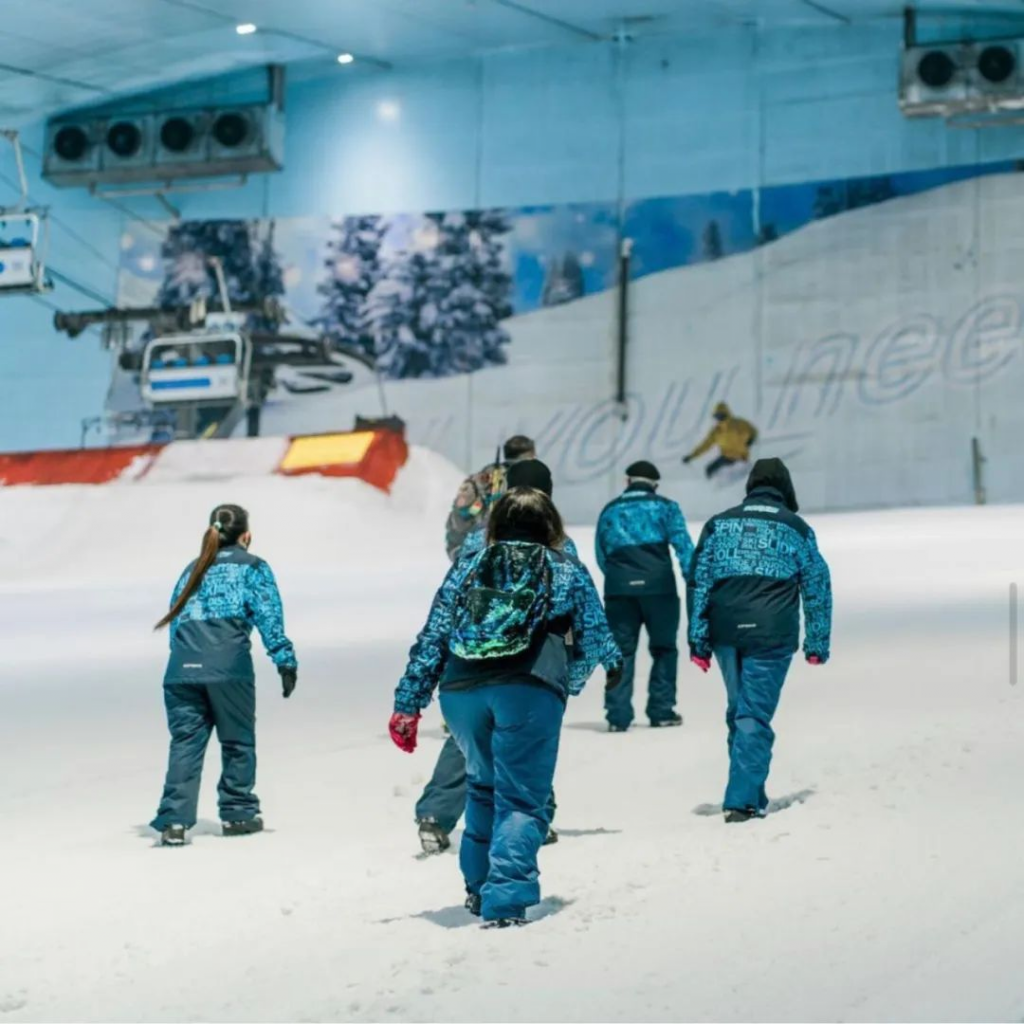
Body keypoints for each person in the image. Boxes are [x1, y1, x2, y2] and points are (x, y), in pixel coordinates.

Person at [390, 488, 622, 927]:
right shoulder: (565, 567)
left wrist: (408, 704)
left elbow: (434, 635)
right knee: (521, 799)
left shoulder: (468, 564)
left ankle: (479, 888)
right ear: (550, 525)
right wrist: (566, 683)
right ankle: (506, 899)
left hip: (461, 690)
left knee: (482, 787)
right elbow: (593, 636)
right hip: (528, 687)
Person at [415, 458, 574, 855]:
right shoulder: (555, 541)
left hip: (471, 654)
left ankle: (436, 813)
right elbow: (572, 601)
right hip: (530, 660)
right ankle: (534, 816)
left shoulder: (478, 538)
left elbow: (451, 591)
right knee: (528, 736)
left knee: (470, 738)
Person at [687, 458, 831, 823]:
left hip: (725, 631)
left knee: (740, 712)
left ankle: (750, 791)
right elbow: (817, 585)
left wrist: (698, 641)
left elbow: (699, 581)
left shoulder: (719, 524)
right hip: (772, 632)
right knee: (752, 715)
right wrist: (817, 643)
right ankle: (741, 802)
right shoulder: (796, 528)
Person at [150, 504, 297, 847]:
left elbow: (177, 622)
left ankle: (174, 822)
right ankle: (238, 814)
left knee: (185, 745)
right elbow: (269, 616)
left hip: (181, 671)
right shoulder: (253, 567)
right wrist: (285, 661)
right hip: (228, 669)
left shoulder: (192, 569)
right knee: (237, 741)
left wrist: (187, 660)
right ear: (246, 535)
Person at [595, 460, 695, 732]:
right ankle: (661, 711)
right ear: (655, 486)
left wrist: (618, 579)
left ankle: (617, 717)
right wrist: (693, 581)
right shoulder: (666, 507)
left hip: (619, 591)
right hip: (659, 590)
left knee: (620, 652)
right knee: (664, 649)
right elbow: (684, 547)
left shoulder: (610, 510)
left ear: (627, 482)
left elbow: (601, 553)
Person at [445, 434, 536, 562]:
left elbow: (459, 521)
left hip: (463, 551)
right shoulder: (523, 482)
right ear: (528, 456)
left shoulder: (481, 478)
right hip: (494, 553)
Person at [683, 401, 758, 479]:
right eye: (717, 416)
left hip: (741, 458)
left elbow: (753, 431)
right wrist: (691, 456)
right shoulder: (716, 431)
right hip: (726, 457)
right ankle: (712, 486)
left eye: (721, 415)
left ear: (727, 414)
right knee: (709, 470)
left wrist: (751, 439)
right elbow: (705, 445)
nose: (719, 418)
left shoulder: (738, 424)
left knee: (732, 475)